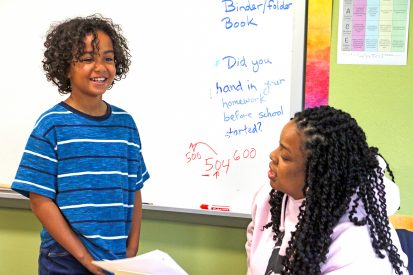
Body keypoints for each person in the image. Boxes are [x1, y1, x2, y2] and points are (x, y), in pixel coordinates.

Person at [11, 14, 150, 274]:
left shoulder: (125, 124)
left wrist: (131, 249)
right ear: (65, 67)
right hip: (65, 257)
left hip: (116, 257)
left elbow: (135, 188)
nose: (100, 67)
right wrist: (84, 258)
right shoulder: (52, 124)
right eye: (87, 59)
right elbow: (40, 200)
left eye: (108, 58)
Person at [246, 105, 409, 275]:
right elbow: (253, 257)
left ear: (317, 173)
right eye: (278, 146)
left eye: (285, 156)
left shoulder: (358, 243)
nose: (273, 155)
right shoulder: (269, 198)